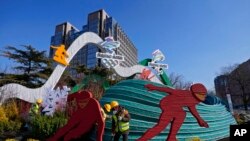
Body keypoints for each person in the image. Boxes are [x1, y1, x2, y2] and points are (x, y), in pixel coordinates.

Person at [137, 83, 209, 141]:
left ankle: (172, 137)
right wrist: (155, 87)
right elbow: (169, 90)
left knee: (182, 114)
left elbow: (193, 109)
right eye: (201, 94)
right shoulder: (185, 93)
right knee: (161, 126)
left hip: (176, 107)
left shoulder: (194, 101)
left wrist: (200, 120)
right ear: (195, 93)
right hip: (167, 103)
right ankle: (142, 139)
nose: (202, 97)